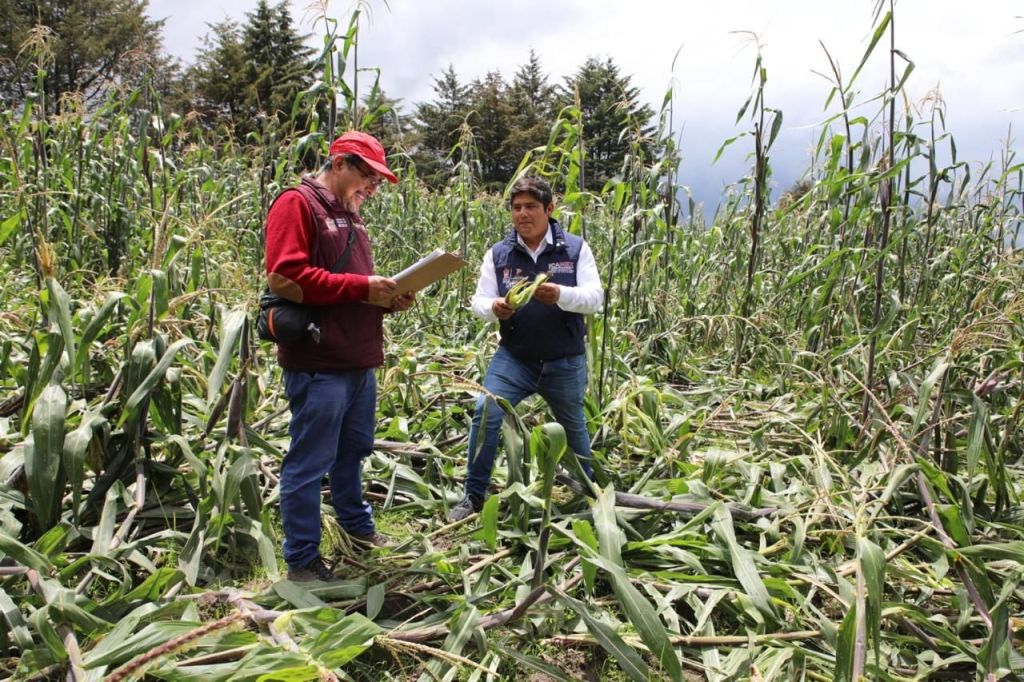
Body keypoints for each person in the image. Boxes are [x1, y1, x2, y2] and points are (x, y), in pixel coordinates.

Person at [264, 131, 415, 581]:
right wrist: (363, 288)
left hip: (357, 358)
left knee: (352, 452)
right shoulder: (297, 204)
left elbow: (351, 285)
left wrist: (387, 297)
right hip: (319, 360)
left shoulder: (351, 215)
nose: (372, 187)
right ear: (341, 163)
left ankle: (356, 527)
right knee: (309, 461)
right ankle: (303, 559)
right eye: (368, 176)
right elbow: (286, 277)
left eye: (376, 180)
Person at [448, 176, 604, 522]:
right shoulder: (500, 254)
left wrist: (560, 295)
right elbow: (478, 301)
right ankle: (473, 495)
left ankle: (590, 492)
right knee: (485, 412)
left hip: (564, 360)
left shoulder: (575, 249)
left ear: (549, 209)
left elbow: (595, 299)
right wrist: (495, 307)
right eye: (516, 207)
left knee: (573, 427)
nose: (523, 214)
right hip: (515, 358)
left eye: (531, 206)